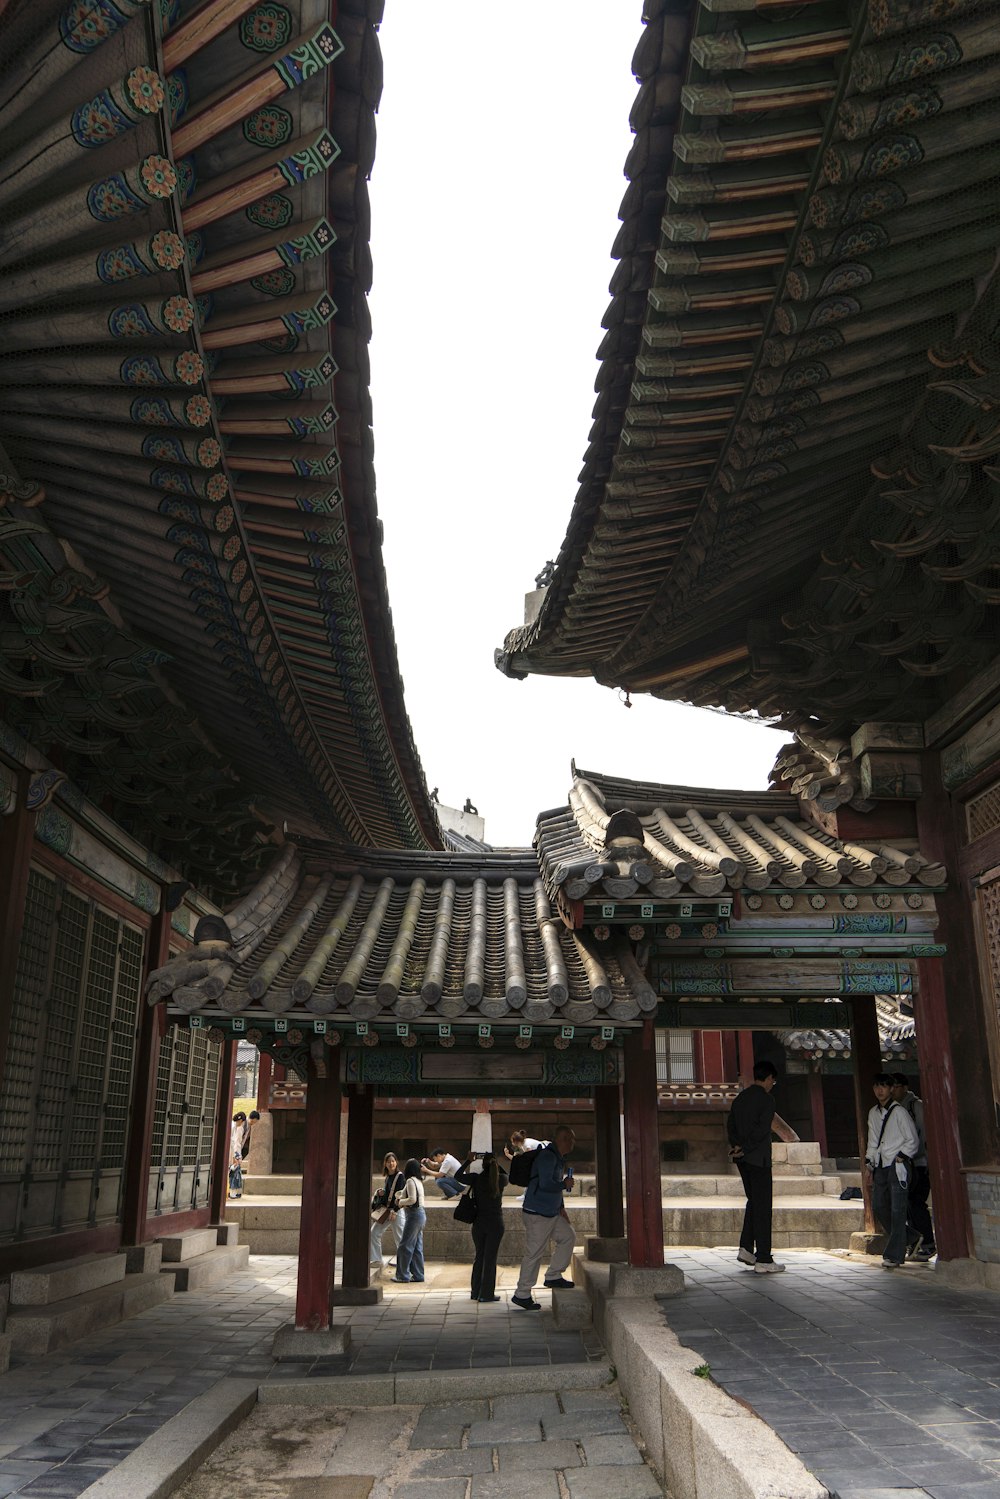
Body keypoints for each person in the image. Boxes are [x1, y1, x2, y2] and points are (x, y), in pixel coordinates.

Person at [727, 1060, 785, 1273]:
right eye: (773, 1081)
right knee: (762, 1207)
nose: (772, 1084)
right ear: (769, 1078)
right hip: (758, 1159)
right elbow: (762, 1131)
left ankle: (746, 1247)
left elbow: (730, 1125)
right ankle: (763, 1258)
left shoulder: (740, 1098)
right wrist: (747, 1147)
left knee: (753, 1202)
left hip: (742, 1159)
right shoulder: (767, 1100)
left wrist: (737, 1146)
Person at [512, 1125, 577, 1310]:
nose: (571, 1142)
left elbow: (553, 1184)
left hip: (551, 1211)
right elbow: (547, 1183)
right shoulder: (548, 1156)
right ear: (559, 1139)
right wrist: (564, 1184)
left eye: (572, 1139)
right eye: (568, 1138)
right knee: (534, 1253)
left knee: (567, 1237)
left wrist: (561, 1207)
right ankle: (522, 1294)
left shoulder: (557, 1157)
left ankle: (553, 1275)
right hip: (537, 1213)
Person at [867, 1072, 921, 1268]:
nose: (880, 1090)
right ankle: (911, 1236)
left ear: (891, 1089)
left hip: (898, 1164)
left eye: (884, 1086)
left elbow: (912, 1139)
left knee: (898, 1209)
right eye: (876, 1086)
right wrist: (869, 1162)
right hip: (881, 1164)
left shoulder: (899, 1112)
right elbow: (872, 1140)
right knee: (879, 1206)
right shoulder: (873, 1113)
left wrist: (903, 1155)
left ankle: (895, 1255)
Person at [891, 1073, 936, 1260]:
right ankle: (916, 1243)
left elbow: (923, 1135)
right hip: (903, 1164)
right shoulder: (895, 1109)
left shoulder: (915, 1106)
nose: (892, 1090)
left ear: (904, 1087)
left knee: (916, 1203)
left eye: (895, 1086)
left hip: (918, 1162)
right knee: (907, 1204)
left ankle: (928, 1243)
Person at [455, 1151, 508, 1302]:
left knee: (479, 1257)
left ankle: (475, 1291)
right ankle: (486, 1294)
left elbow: (457, 1176)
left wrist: (468, 1160)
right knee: (490, 1259)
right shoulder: (501, 1180)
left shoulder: (476, 1179)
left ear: (483, 1164)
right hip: (495, 1223)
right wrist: (496, 1163)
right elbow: (508, 1175)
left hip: (479, 1223)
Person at [370, 1151, 407, 1275]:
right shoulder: (388, 1177)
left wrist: (395, 1211)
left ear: (396, 1162)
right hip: (386, 1212)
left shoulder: (400, 1176)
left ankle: (405, 1265)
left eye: (393, 1161)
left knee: (400, 1239)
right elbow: (389, 1196)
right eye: (388, 1161)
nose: (391, 1163)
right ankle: (376, 1259)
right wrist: (382, 1193)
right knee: (374, 1232)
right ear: (385, 1164)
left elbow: (400, 1196)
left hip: (397, 1212)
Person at [393, 1158, 426, 1283]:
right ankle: (418, 1275)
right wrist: (400, 1195)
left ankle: (402, 1275)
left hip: (413, 1214)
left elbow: (412, 1199)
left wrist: (399, 1202)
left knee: (405, 1246)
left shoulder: (410, 1181)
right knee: (417, 1247)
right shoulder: (418, 1181)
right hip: (420, 1214)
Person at [228, 1112, 246, 1199]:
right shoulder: (239, 1128)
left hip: (231, 1151)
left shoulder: (232, 1126)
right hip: (234, 1152)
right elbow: (237, 1143)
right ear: (241, 1120)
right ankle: (233, 1193)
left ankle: (234, 1192)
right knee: (235, 1174)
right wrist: (237, 1156)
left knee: (233, 1173)